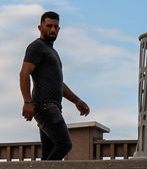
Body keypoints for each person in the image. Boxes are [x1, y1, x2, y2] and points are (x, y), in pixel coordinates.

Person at [19, 10, 92, 160]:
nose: (52, 29)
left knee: (48, 154)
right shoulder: (36, 47)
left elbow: (59, 84)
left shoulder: (52, 52)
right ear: (40, 28)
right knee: (64, 144)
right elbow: (24, 74)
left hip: (52, 106)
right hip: (44, 105)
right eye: (49, 26)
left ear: (59, 29)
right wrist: (27, 101)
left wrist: (77, 101)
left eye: (55, 27)